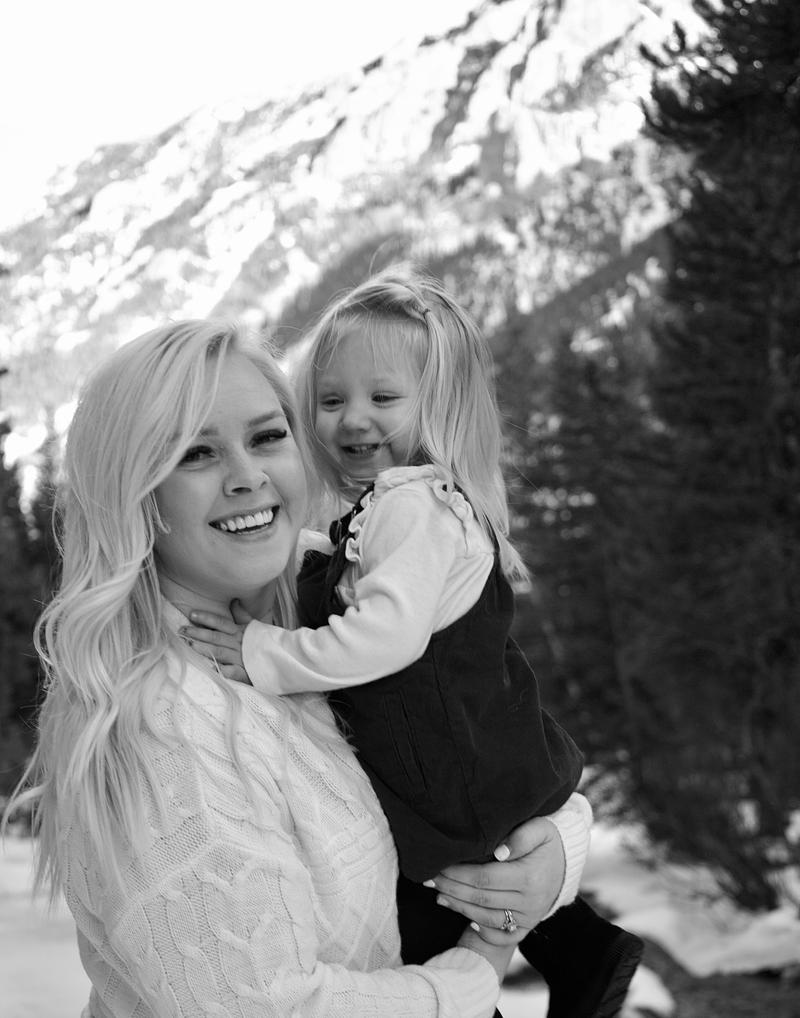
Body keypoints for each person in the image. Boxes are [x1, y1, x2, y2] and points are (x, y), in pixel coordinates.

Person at [3, 319, 588, 1018]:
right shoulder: (165, 721)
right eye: (196, 453)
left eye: (266, 437)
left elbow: (491, 740)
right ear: (136, 494)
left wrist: (556, 852)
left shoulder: (319, 613)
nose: (248, 477)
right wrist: (478, 968)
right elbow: (269, 1008)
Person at [182, 269, 644, 1018]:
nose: (352, 419)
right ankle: (582, 954)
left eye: (383, 397)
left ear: (438, 404)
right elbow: (359, 580)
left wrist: (262, 652)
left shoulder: (412, 504)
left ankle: (572, 959)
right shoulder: (400, 506)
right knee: (468, 887)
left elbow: (384, 637)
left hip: (444, 764)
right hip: (466, 754)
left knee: (443, 889)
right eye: (331, 400)